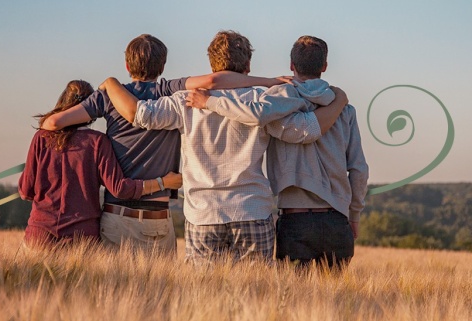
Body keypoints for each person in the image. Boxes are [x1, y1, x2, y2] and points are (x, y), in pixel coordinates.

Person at [101, 30, 348, 263]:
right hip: (252, 210)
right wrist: (338, 102)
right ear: (248, 66)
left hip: (203, 214)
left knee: (204, 297)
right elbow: (305, 131)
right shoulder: (262, 101)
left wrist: (111, 84)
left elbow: (140, 115)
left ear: (212, 65)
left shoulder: (184, 101)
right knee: (256, 296)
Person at [41, 34, 289, 254]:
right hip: (160, 217)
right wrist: (269, 82)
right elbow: (214, 81)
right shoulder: (169, 91)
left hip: (117, 215)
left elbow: (53, 124)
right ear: (163, 66)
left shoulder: (109, 96)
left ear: (127, 66)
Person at [188, 36, 368, 268]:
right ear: (324, 66)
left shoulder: (275, 103)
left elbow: (254, 114)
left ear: (292, 65)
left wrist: (210, 102)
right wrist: (354, 215)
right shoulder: (345, 109)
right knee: (334, 301)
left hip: (295, 220)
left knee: (292, 300)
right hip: (337, 220)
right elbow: (359, 169)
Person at [18, 79, 183, 248]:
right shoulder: (97, 142)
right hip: (82, 238)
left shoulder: (41, 138)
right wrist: (163, 183)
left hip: (39, 235)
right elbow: (120, 188)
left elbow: (25, 191)